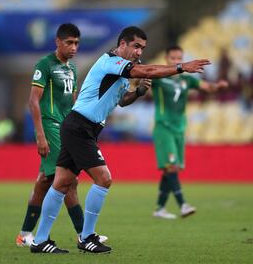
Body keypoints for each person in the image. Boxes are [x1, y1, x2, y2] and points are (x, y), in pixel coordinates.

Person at [30, 26, 211, 254]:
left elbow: (121, 100)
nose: (138, 52)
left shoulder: (120, 72)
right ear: (122, 44)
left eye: (142, 48)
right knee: (104, 179)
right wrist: (181, 67)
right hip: (79, 127)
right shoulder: (110, 61)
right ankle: (86, 237)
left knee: (62, 183)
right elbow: (150, 70)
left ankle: (40, 240)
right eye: (136, 46)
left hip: (82, 127)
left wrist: (137, 93)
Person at [16, 23, 107, 247]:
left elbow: (74, 101)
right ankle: (82, 233)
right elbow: (33, 100)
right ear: (58, 42)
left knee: (44, 181)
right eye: (69, 42)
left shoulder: (72, 68)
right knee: (68, 180)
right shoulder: (45, 65)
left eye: (77, 43)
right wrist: (40, 135)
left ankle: (24, 234)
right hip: (50, 126)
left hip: (67, 127)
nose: (74, 47)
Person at [151, 45, 228, 219]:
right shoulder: (158, 78)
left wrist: (219, 86)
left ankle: (160, 209)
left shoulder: (187, 80)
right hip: (164, 127)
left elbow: (207, 87)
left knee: (172, 168)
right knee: (171, 166)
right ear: (166, 59)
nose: (176, 61)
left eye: (179, 58)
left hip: (180, 128)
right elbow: (139, 79)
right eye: (173, 58)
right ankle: (183, 205)